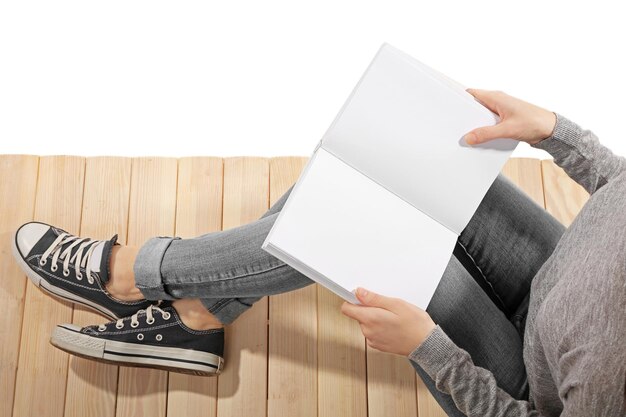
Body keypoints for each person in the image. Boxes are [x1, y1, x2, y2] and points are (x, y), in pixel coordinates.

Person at [11, 89, 625, 416]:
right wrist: (556, 132)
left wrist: (429, 350)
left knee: (356, 222)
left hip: (524, 378)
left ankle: (132, 276)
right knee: (386, 164)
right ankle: (196, 315)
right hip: (551, 272)